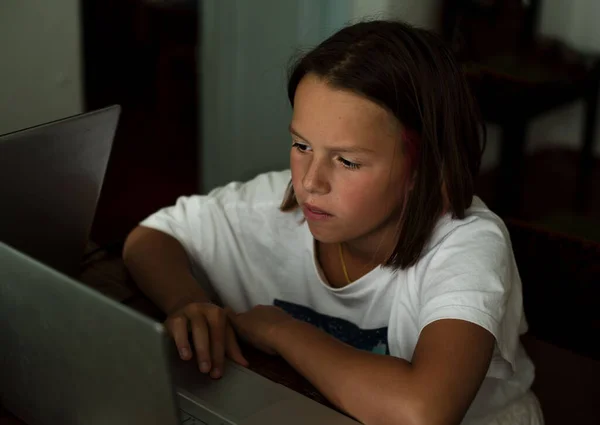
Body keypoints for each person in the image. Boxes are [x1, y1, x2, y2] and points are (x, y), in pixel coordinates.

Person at [123, 20, 543, 425]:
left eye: (348, 161)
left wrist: (279, 329)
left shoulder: (466, 244)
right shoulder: (275, 204)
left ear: (423, 169)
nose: (309, 182)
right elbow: (150, 238)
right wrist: (186, 302)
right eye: (301, 145)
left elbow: (422, 413)